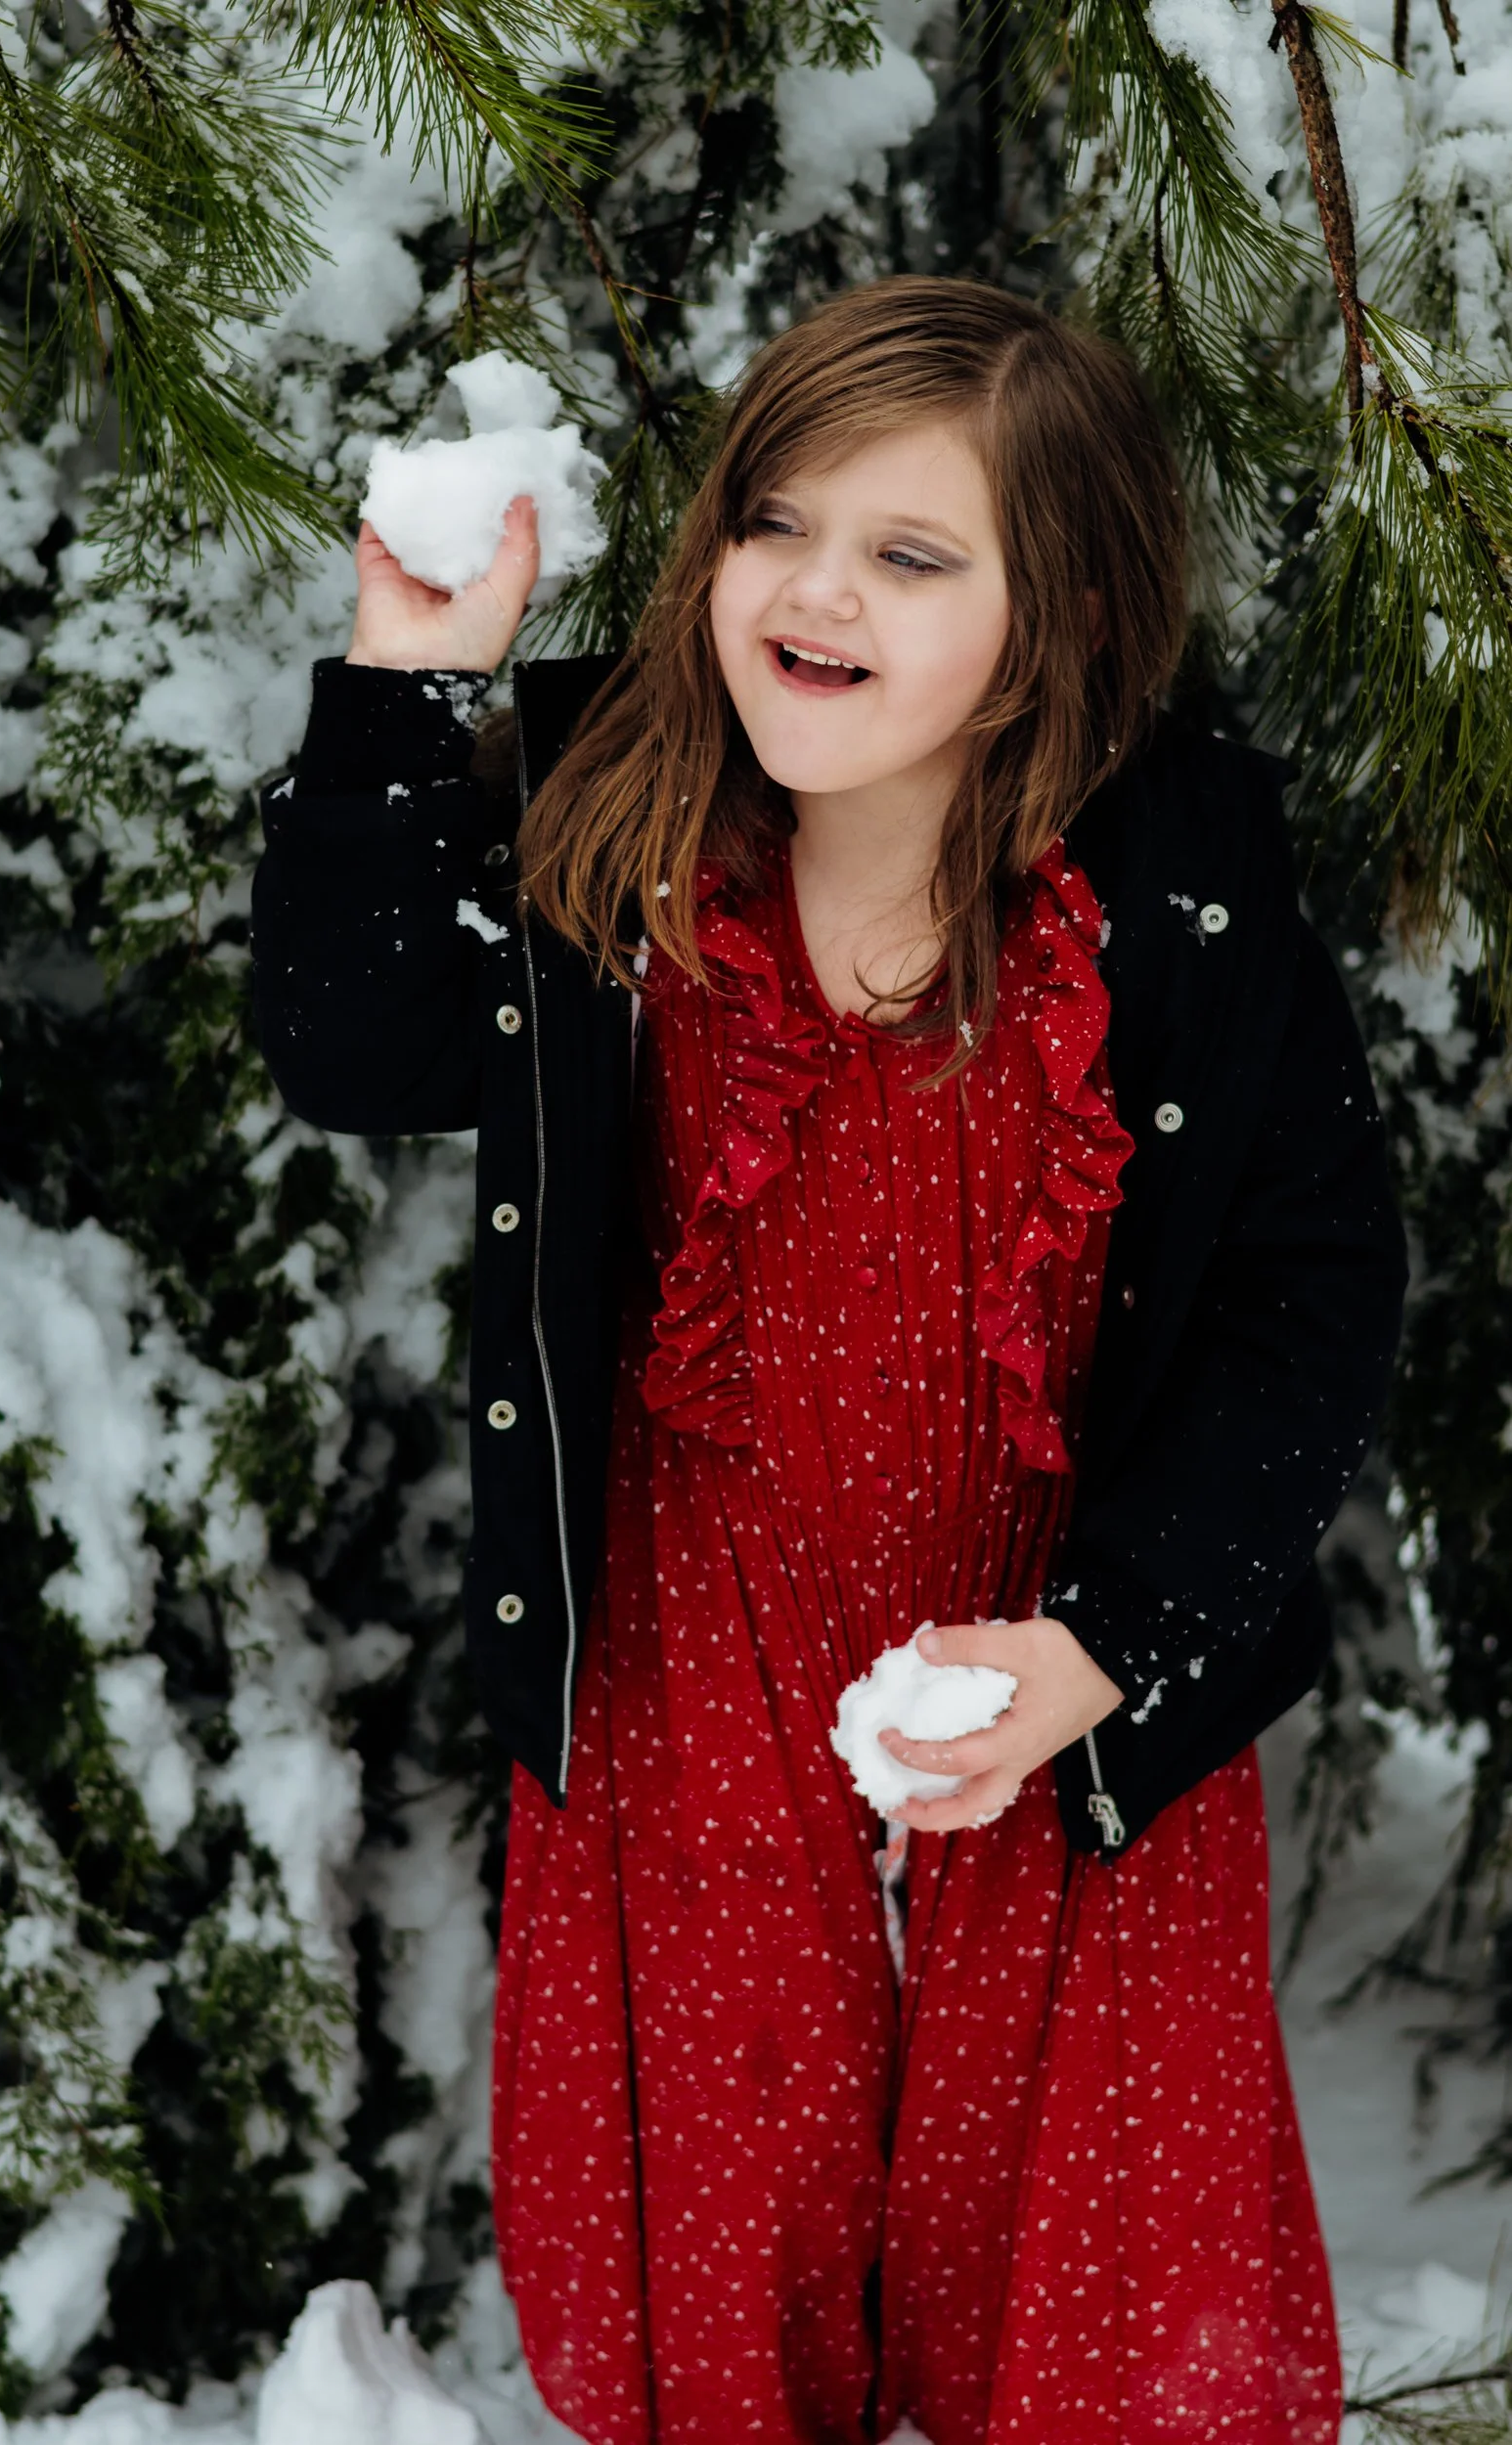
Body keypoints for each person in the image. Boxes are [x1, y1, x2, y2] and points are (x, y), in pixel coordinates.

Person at [251, 276, 1407, 2445]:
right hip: (693, 1657)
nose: (814, 592)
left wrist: (1110, 1640)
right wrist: (406, 691)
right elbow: (345, 1038)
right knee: (722, 2251)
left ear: (1053, 613)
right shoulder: (613, 814)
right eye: (776, 522)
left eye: (909, 554)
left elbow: (1306, 1298)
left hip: (1055, 1658)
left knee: (1082, 2282)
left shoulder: (1175, 887)